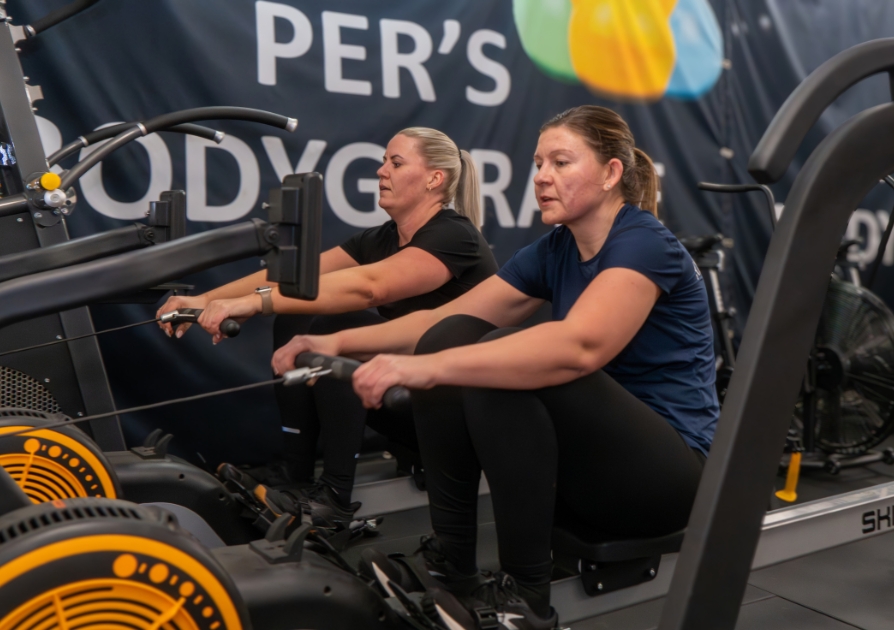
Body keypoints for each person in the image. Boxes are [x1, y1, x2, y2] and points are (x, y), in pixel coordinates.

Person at [271, 105, 719, 629]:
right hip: (591, 469)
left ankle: (526, 599)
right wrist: (333, 341)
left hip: (665, 480)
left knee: (502, 360)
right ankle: (452, 564)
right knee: (451, 336)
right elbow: (440, 319)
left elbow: (581, 346)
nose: (542, 177)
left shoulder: (644, 242)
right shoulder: (555, 249)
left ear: (611, 173)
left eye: (560, 162)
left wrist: (429, 370)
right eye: (538, 164)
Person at [158, 127, 498, 525]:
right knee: (297, 312)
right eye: (384, 161)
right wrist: (204, 300)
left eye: (396, 162)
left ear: (434, 179)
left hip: (459, 415)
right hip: (405, 398)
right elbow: (296, 280)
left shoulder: (455, 235)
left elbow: (371, 288)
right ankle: (296, 472)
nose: (381, 171)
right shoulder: (382, 238)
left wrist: (253, 304)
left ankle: (335, 498)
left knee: (341, 328)